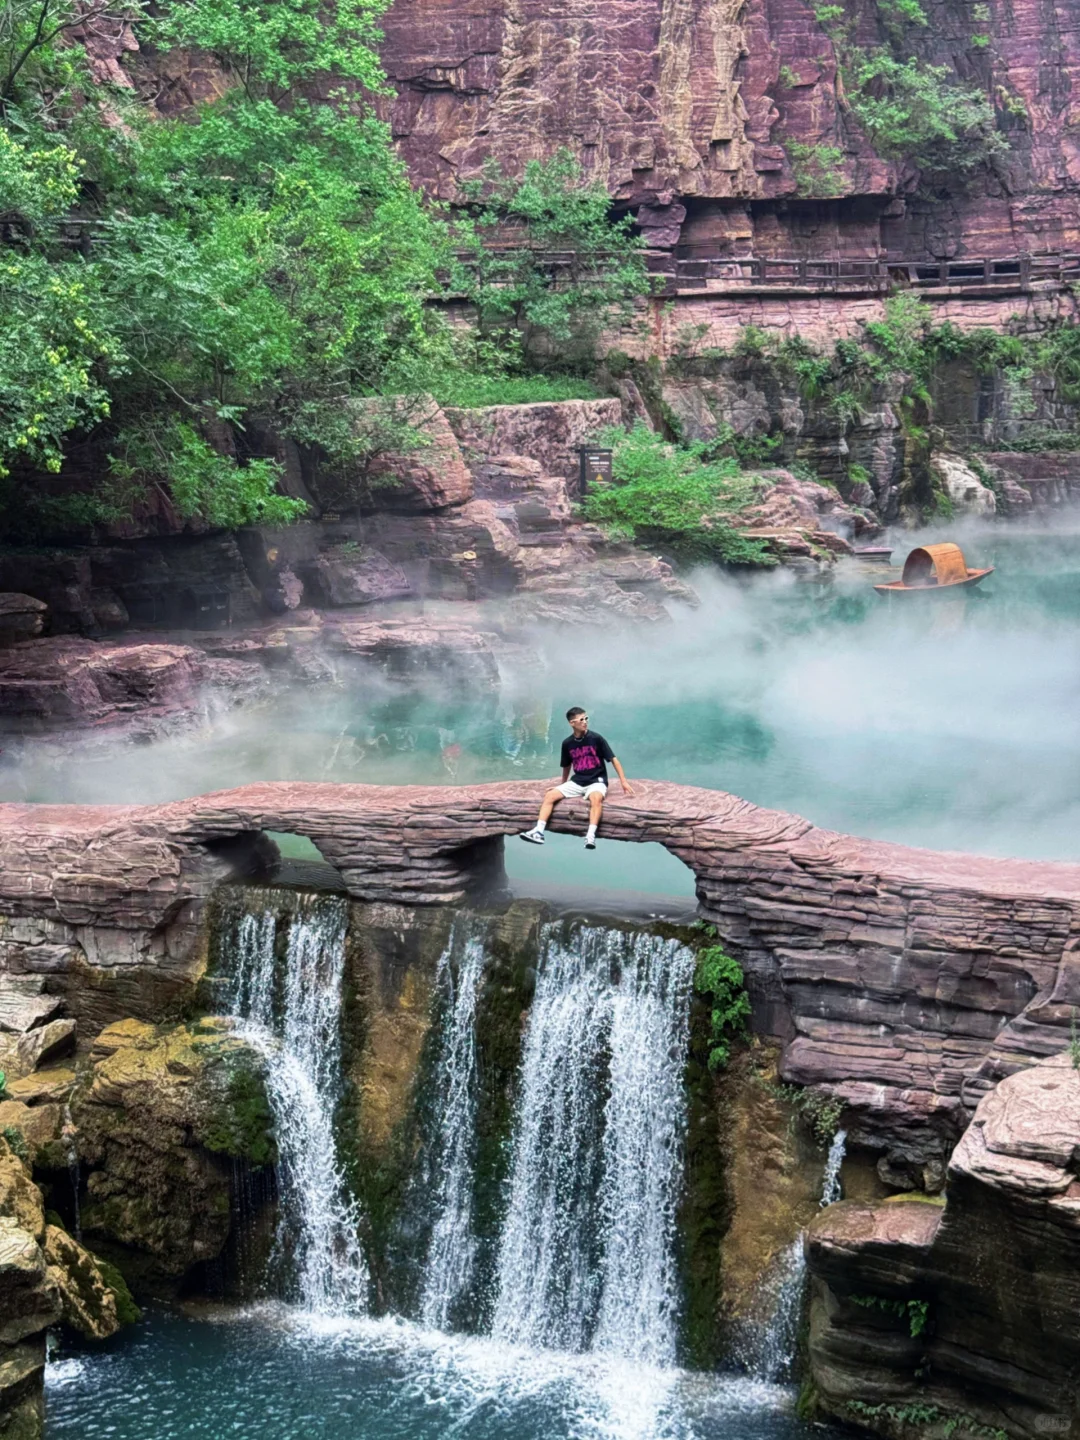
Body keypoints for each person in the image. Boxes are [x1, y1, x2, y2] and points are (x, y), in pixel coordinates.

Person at [520, 707, 635, 850]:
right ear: (572, 723)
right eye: (581, 720)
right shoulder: (567, 743)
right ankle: (538, 831)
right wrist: (562, 785)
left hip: (596, 781)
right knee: (550, 796)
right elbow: (566, 766)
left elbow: (614, 760)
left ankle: (590, 836)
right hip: (577, 781)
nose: (585, 722)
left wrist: (624, 781)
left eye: (586, 719)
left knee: (596, 799)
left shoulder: (596, 739)